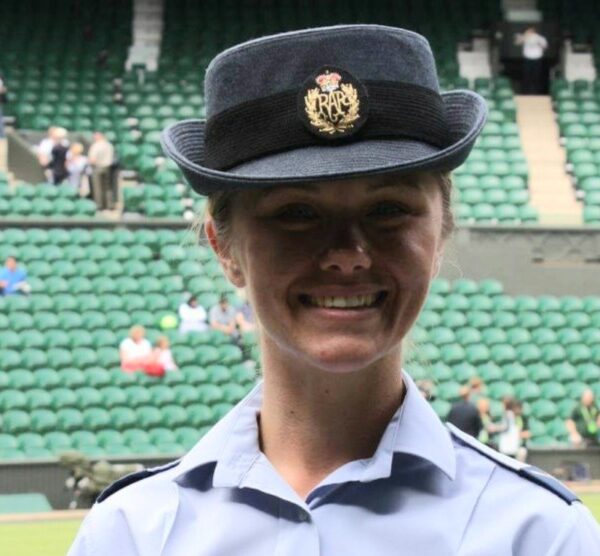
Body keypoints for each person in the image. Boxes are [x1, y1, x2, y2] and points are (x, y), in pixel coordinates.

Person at [68, 25, 600, 555]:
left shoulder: (540, 535)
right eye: (296, 213)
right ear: (223, 247)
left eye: (388, 209)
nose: (348, 253)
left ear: (440, 234)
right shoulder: (129, 535)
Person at [515, 26, 548, 95]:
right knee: (526, 76)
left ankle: (536, 92)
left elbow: (545, 46)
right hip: (527, 59)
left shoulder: (540, 38)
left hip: (537, 59)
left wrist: (538, 41)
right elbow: (517, 43)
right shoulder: (525, 37)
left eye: (531, 31)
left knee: (536, 76)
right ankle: (526, 92)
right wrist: (525, 36)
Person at [88, 131, 115, 210]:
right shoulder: (109, 145)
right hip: (108, 168)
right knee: (108, 187)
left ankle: (99, 205)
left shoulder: (96, 145)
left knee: (97, 187)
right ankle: (110, 204)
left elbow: (92, 159)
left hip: (97, 167)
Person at [498, 397, 531, 462]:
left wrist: (517, 434)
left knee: (522, 452)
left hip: (520, 446)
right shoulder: (509, 417)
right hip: (509, 446)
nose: (517, 410)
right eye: (515, 408)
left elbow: (527, 434)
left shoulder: (523, 419)